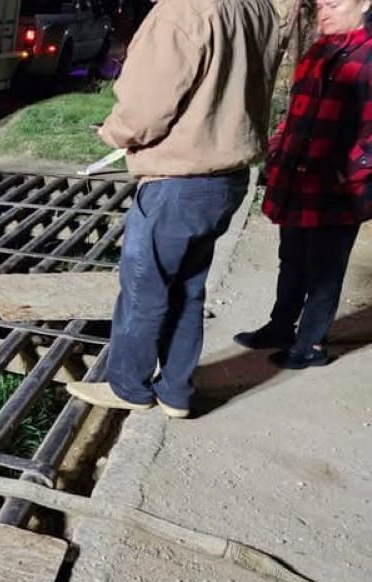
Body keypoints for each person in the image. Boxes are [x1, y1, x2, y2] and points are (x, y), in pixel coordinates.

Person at [66, 0, 279, 418]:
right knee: (189, 287)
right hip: (227, 177)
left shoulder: (182, 11)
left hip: (178, 179)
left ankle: (129, 386)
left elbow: (146, 109)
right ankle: (176, 391)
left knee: (145, 288)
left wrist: (113, 132)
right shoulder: (258, 8)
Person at [234, 0, 372, 369]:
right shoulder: (317, 51)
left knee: (324, 269)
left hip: (338, 188)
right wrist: (279, 149)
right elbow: (296, 111)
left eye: (334, 4)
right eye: (320, 5)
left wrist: (352, 172)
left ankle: (311, 345)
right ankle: (281, 327)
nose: (323, 12)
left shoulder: (368, 57)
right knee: (292, 259)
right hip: (298, 178)